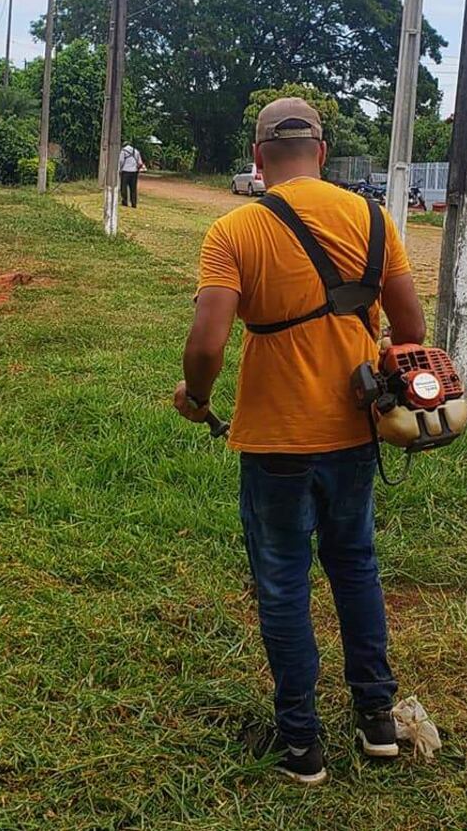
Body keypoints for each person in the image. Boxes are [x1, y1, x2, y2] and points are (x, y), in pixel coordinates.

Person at [173, 98, 426, 785]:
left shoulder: (233, 230)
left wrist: (196, 399)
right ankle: (377, 719)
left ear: (258, 157)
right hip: (352, 432)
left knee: (283, 583)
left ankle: (301, 745)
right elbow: (409, 326)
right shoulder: (374, 220)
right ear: (322, 148)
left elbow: (208, 343)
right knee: (356, 567)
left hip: (275, 441)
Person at [118, 142, 145, 208]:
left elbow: (121, 161)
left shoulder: (123, 151)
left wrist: (119, 169)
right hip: (134, 172)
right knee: (133, 189)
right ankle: (134, 203)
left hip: (125, 171)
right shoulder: (136, 151)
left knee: (124, 187)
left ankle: (125, 202)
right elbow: (140, 162)